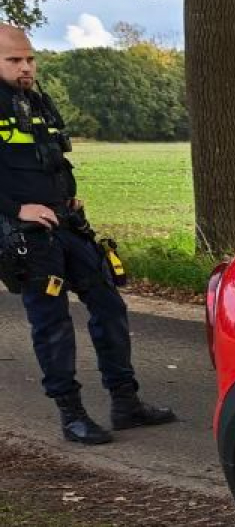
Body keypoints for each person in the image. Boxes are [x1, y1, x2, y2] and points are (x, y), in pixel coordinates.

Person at [0, 24, 174, 445]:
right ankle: (71, 413)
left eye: (30, 58)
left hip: (67, 225)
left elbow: (51, 159)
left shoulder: (35, 100)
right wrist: (14, 208)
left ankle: (125, 401)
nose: (26, 67)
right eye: (14, 60)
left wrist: (69, 199)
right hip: (26, 235)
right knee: (52, 323)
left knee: (109, 304)